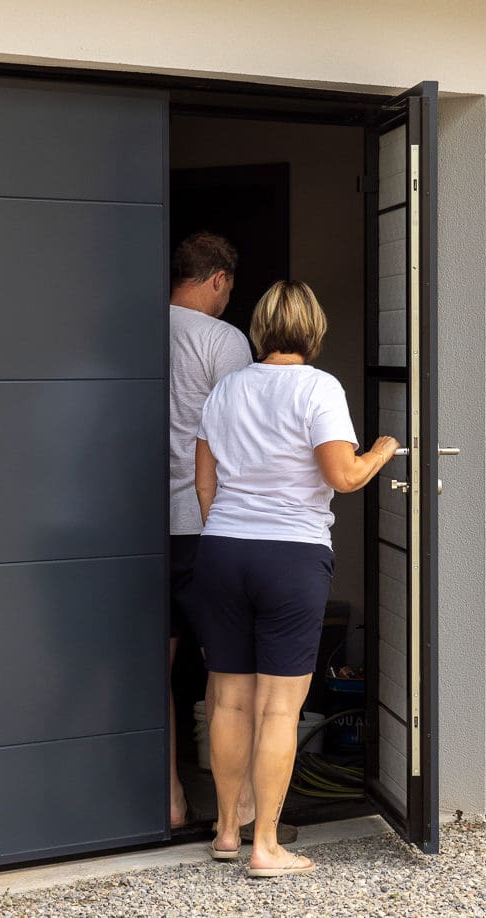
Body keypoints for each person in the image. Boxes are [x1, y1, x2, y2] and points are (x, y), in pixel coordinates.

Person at [191, 280, 398, 876]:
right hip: (291, 555)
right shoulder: (319, 387)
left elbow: (204, 481)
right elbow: (343, 476)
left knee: (227, 699)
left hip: (223, 548)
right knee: (280, 709)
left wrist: (228, 529)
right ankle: (266, 847)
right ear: (313, 329)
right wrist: (382, 450)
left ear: (259, 328)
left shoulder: (227, 388)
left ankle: (228, 831)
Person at [167, 231, 250, 828]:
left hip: (138, 529)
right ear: (218, 279)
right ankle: (234, 814)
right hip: (203, 522)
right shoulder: (222, 340)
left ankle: (169, 801)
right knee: (225, 667)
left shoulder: (131, 328)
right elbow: (240, 436)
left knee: (153, 668)